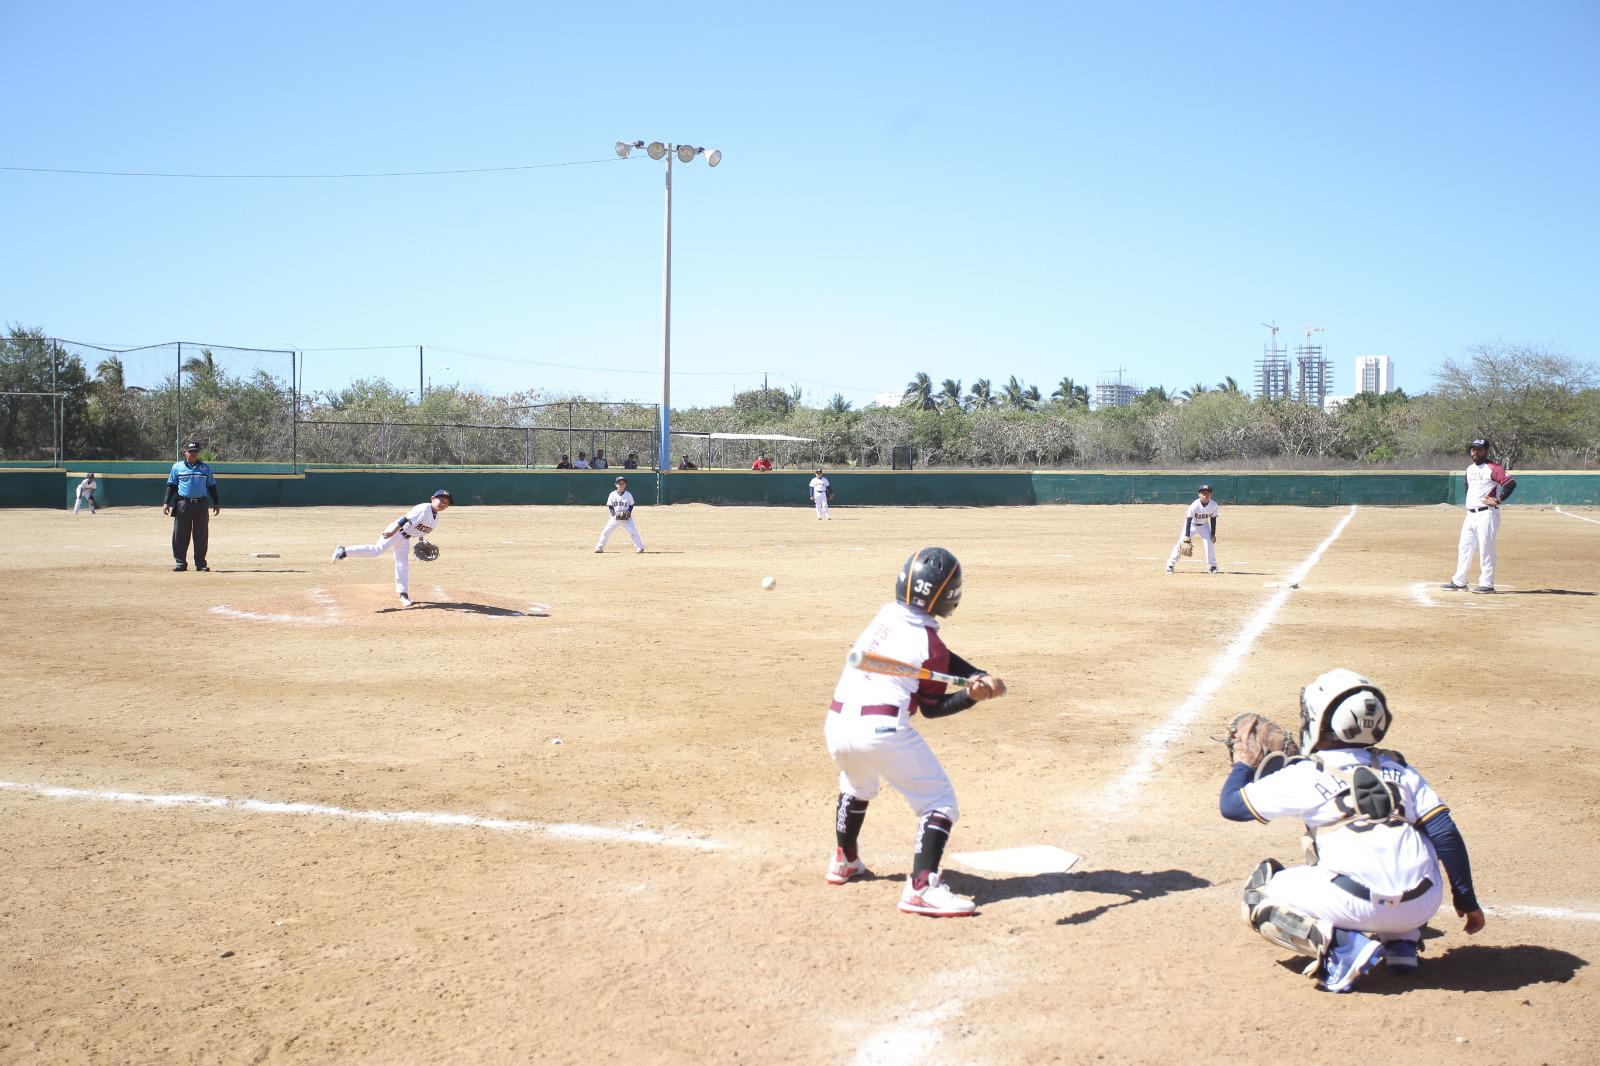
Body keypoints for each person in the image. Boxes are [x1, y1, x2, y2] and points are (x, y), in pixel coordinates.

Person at [1219, 669, 1484, 993]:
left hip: (1357, 903)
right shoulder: (1400, 768)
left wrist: (1243, 763)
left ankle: (1343, 950)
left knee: (1259, 893)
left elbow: (1231, 806)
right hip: (1424, 903)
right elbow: (1446, 835)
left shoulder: (1306, 774)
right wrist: (1467, 901)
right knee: (1406, 834)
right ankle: (1402, 944)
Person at [823, 547, 1008, 917]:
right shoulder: (930, 646)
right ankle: (922, 888)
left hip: (838, 724)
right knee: (939, 802)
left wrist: (974, 675)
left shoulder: (886, 615)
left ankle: (844, 860)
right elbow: (933, 708)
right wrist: (971, 697)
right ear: (949, 596)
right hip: (882, 729)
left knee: (856, 786)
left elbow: (936, 656)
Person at [331, 489, 452, 608]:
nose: (443, 504)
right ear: (432, 499)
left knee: (402, 564)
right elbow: (405, 519)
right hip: (397, 531)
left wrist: (421, 542)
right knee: (376, 550)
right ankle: (344, 551)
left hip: (405, 539)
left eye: (446, 503)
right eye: (440, 500)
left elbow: (420, 530)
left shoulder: (435, 518)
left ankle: (403, 595)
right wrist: (392, 532)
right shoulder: (424, 508)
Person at [1441, 438, 1516, 594]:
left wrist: (1498, 499)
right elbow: (1468, 488)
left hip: (1487, 514)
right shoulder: (1469, 469)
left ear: (1486, 451)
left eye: (1479, 449)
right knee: (1464, 547)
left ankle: (1487, 584)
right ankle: (1459, 581)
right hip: (1471, 514)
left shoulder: (1493, 468)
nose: (1475, 452)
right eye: (1473, 449)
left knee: (1486, 548)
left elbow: (1510, 483)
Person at [163, 442, 219, 571]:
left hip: (201, 505)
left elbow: (211, 486)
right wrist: (166, 502)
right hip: (183, 504)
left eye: (196, 451)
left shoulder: (206, 468)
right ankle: (180, 563)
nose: (194, 453)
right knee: (180, 534)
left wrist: (216, 503)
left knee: (201, 535)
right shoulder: (177, 467)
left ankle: (201, 564)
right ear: (185, 452)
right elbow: (171, 485)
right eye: (191, 451)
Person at [1166, 483, 1218, 574]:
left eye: (1207, 493)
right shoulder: (1195, 505)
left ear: (1211, 494)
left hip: (1204, 525)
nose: (1205, 495)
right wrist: (1186, 536)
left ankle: (1212, 566)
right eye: (1203, 493)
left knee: (1209, 543)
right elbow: (1189, 520)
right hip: (1191, 525)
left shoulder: (1213, 505)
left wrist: (1213, 533)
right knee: (1181, 543)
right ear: (1199, 494)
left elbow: (1213, 519)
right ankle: (1170, 565)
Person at [594, 476, 645, 553]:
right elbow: (610, 506)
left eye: (623, 483)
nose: (621, 485)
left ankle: (640, 547)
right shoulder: (612, 494)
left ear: (625, 485)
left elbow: (631, 505)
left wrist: (628, 513)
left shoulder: (628, 494)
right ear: (616, 484)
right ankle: (599, 547)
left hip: (626, 518)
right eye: (619, 483)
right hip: (615, 517)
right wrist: (614, 515)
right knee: (606, 531)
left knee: (633, 532)